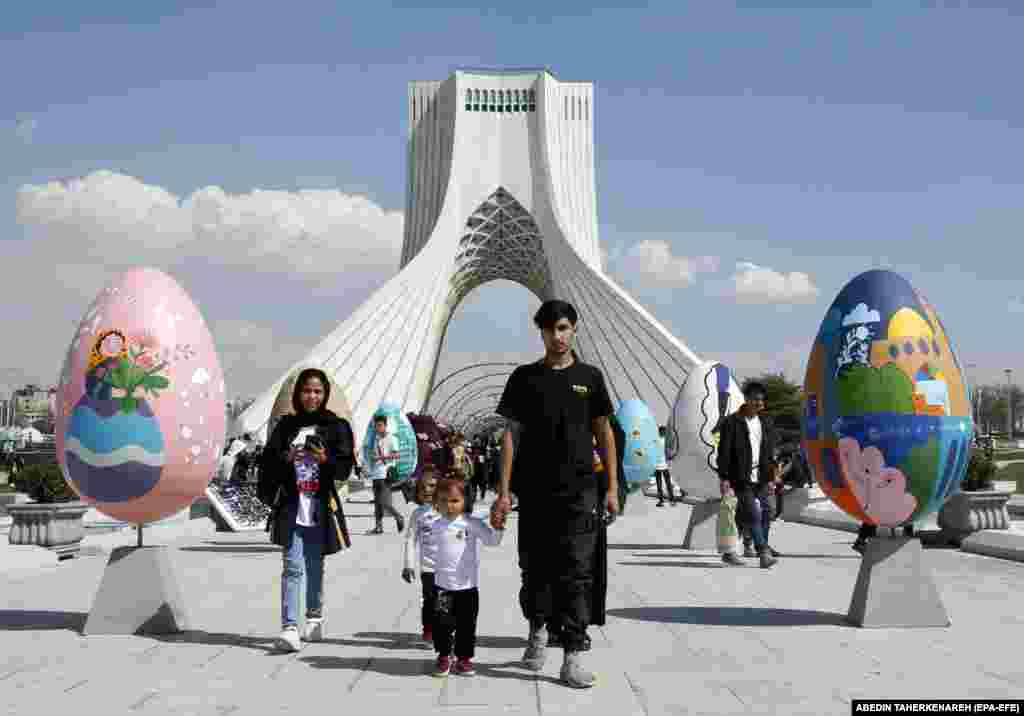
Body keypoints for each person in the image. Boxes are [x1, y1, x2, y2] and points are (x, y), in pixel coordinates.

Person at [491, 299, 619, 690]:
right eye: (550, 330)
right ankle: (537, 630)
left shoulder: (591, 377)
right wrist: (503, 491)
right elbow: (511, 435)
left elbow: (604, 433)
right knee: (535, 569)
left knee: (577, 572)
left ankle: (574, 654)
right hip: (535, 491)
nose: (557, 336)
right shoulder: (524, 378)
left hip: (581, 491)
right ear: (541, 333)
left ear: (574, 329)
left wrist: (612, 487)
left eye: (563, 328)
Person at [258, 368, 355, 652]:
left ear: (325, 395)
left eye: (317, 391)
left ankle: (314, 618)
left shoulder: (337, 426)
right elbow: (268, 463)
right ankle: (289, 627)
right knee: (292, 565)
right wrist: (286, 457)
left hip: (320, 504)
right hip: (291, 503)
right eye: (306, 391)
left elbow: (345, 467)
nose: (311, 396)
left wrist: (325, 459)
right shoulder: (285, 427)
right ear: (297, 394)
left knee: (315, 565)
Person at [429, 478, 504, 677]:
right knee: (442, 624)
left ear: (465, 501)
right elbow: (428, 553)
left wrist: (498, 527)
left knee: (467, 625)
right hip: (442, 588)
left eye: (454, 500)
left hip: (468, 588)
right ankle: (444, 656)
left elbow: (491, 541)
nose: (449, 505)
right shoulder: (435, 525)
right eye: (443, 500)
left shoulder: (472, 524)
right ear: (436, 501)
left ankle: (464, 659)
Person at [715, 381, 781, 569]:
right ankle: (763, 552)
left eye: (762, 400)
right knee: (752, 512)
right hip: (740, 477)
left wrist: (770, 477)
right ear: (746, 400)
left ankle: (731, 551)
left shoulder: (765, 422)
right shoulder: (731, 422)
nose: (760, 403)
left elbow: (768, 452)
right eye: (756, 399)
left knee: (765, 511)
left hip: (760, 477)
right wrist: (724, 477)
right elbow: (724, 451)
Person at [402, 467, 441, 648]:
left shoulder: (449, 510)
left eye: (432, 486)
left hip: (449, 569)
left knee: (448, 602)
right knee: (430, 601)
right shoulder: (417, 515)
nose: (427, 490)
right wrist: (408, 565)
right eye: (423, 487)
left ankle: (446, 631)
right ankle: (429, 631)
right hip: (428, 569)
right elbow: (410, 539)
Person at [366, 414, 405, 535]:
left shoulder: (391, 438)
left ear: (385, 425)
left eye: (380, 425)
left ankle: (399, 517)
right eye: (376, 426)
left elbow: (397, 455)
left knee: (384, 502)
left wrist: (381, 457)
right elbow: (374, 455)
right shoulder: (376, 439)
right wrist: (372, 459)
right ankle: (378, 527)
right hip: (376, 474)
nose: (377, 428)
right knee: (377, 504)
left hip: (386, 474)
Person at [654, 425, 678, 506]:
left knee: (659, 484)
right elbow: (670, 452)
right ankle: (672, 500)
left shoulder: (656, 441)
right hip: (665, 466)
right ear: (664, 432)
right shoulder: (665, 441)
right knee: (668, 484)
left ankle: (661, 501)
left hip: (657, 466)